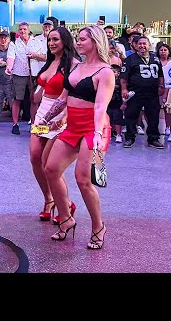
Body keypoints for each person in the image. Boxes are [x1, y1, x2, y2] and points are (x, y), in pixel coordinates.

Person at [38, 25, 114, 250]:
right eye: (78, 39)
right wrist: (46, 118)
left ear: (95, 42)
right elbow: (63, 98)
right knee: (50, 169)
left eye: (82, 40)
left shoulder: (105, 72)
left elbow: (101, 106)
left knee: (83, 179)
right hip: (72, 126)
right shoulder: (77, 67)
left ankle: (98, 227)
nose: (78, 43)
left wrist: (99, 134)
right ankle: (66, 217)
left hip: (94, 128)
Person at [30, 27, 79, 224]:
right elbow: (42, 86)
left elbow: (74, 94)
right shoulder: (49, 62)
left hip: (61, 116)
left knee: (49, 164)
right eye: (49, 40)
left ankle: (64, 204)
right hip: (42, 114)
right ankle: (49, 199)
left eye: (56, 39)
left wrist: (65, 115)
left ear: (65, 41)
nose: (51, 43)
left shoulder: (74, 65)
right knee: (35, 158)